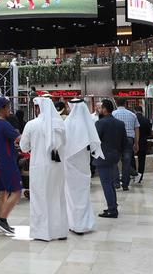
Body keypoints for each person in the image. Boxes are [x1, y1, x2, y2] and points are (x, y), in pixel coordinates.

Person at [20, 96, 69, 241]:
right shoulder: (60, 124)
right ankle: (59, 231)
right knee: (57, 196)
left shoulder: (31, 124)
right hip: (57, 167)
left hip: (39, 166)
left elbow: (24, 146)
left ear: (37, 108)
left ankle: (42, 232)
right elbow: (65, 143)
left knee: (40, 197)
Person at [64, 98, 103, 234]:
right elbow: (93, 145)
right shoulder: (88, 123)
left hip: (71, 165)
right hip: (82, 165)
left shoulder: (67, 123)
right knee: (82, 194)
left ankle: (75, 223)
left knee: (72, 194)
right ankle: (83, 223)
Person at [0, 97, 22, 235]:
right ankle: (2, 220)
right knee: (17, 191)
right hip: (6, 163)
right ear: (2, 108)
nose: (9, 110)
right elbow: (19, 138)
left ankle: (0, 224)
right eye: (8, 107)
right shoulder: (4, 124)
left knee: (2, 193)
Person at [94, 99, 127, 218]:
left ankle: (112, 209)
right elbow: (124, 141)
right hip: (115, 156)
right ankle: (113, 205)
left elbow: (95, 140)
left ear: (104, 109)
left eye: (100, 107)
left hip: (103, 156)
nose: (99, 110)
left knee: (106, 183)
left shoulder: (100, 123)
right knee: (111, 182)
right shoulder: (120, 123)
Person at [112, 97, 139, 190]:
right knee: (126, 162)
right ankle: (125, 184)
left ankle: (116, 183)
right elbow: (136, 129)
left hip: (116, 139)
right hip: (129, 139)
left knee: (114, 161)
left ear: (116, 102)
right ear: (125, 103)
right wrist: (136, 143)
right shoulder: (132, 115)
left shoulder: (113, 114)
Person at [134, 105, 151, 183]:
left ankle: (133, 175)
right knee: (142, 160)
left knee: (131, 159)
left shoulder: (133, 118)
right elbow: (149, 132)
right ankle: (140, 177)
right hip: (143, 142)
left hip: (133, 142)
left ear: (135, 111)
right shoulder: (146, 120)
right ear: (142, 111)